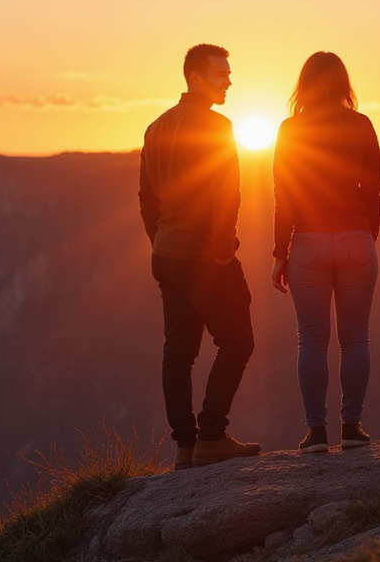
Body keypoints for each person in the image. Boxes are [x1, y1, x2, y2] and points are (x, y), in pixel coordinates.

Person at [138, 43, 259, 469]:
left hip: (167, 255)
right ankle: (211, 436)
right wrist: (223, 250)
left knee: (179, 351)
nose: (228, 80)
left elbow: (146, 198)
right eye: (220, 73)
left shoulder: (156, 128)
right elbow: (226, 194)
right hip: (203, 257)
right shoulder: (217, 126)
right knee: (238, 341)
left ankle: (185, 447)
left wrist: (160, 240)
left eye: (228, 72)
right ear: (194, 77)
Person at [271, 52, 380, 453]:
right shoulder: (362, 125)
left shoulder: (290, 129)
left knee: (312, 340)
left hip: (309, 242)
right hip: (355, 237)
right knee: (356, 339)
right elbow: (373, 188)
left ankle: (316, 432)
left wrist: (280, 251)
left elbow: (285, 195)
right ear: (342, 83)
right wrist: (370, 235)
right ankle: (352, 428)